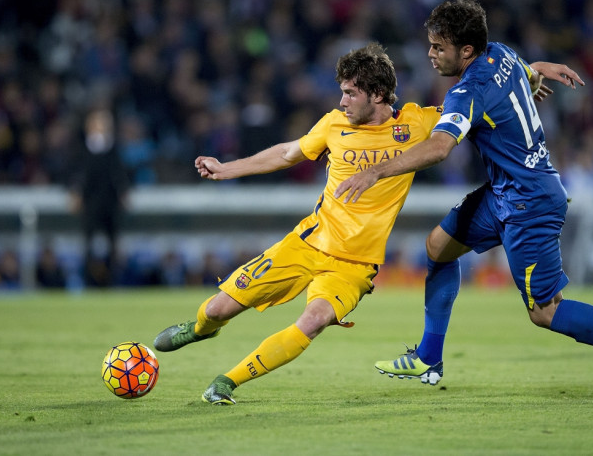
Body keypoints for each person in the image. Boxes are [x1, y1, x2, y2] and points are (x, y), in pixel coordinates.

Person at [334, 0, 593, 402]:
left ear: (466, 51)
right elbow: (517, 73)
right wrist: (537, 70)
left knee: (545, 312)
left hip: (529, 202)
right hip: (504, 192)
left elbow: (440, 147)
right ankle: (429, 357)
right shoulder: (499, 52)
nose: (430, 54)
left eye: (438, 47)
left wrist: (376, 170)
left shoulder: (466, 92)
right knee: (438, 247)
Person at [153, 42, 443, 405]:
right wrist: (227, 168)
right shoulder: (334, 124)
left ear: (378, 93)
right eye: (342, 92)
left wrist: (525, 78)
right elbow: (288, 153)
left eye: (351, 93)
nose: (342, 102)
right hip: (307, 243)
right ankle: (198, 330)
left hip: (354, 265)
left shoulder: (418, 122)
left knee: (315, 319)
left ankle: (226, 382)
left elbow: (474, 111)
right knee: (217, 310)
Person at [69, 107, 129, 287]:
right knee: (88, 243)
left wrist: (123, 191)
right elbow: (78, 173)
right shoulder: (82, 147)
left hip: (109, 202)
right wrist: (76, 193)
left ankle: (111, 281)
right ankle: (88, 281)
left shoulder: (113, 147)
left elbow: (119, 173)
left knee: (113, 244)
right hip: (90, 203)